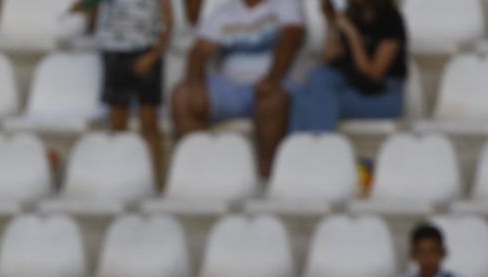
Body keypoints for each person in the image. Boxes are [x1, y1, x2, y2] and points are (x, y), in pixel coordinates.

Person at [171, 0, 305, 181]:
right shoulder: (223, 13)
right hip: (232, 86)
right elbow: (199, 52)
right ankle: (200, 175)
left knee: (272, 99)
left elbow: (292, 38)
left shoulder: (286, 4)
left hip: (277, 82)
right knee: (183, 96)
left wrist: (271, 79)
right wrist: (196, 85)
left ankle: (266, 179)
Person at [78, 0, 174, 177]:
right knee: (117, 123)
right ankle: (120, 175)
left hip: (147, 50)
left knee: (150, 123)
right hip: (113, 51)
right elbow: (86, 8)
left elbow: (169, 22)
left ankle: (154, 180)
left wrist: (153, 56)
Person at [290, 0, 407, 134]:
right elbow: (330, 59)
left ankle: (320, 148)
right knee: (306, 93)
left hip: (383, 97)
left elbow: (373, 74)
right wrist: (330, 22)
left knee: (318, 101)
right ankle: (305, 149)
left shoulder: (392, 21)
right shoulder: (351, 15)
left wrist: (352, 34)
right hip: (353, 90)